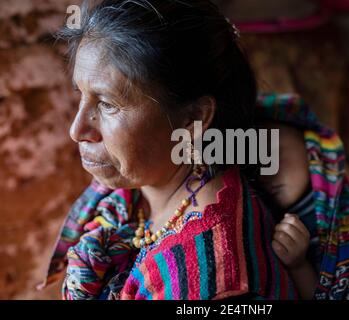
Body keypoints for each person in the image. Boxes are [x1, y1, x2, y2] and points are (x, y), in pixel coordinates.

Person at [39, 0, 298, 300]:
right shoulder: (145, 181)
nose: (77, 130)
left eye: (107, 104)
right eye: (81, 95)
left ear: (193, 119)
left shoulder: (209, 278)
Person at [255, 93, 349, 299]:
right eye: (253, 167)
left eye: (273, 155)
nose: (266, 174)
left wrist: (298, 266)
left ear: (311, 146)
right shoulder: (267, 212)